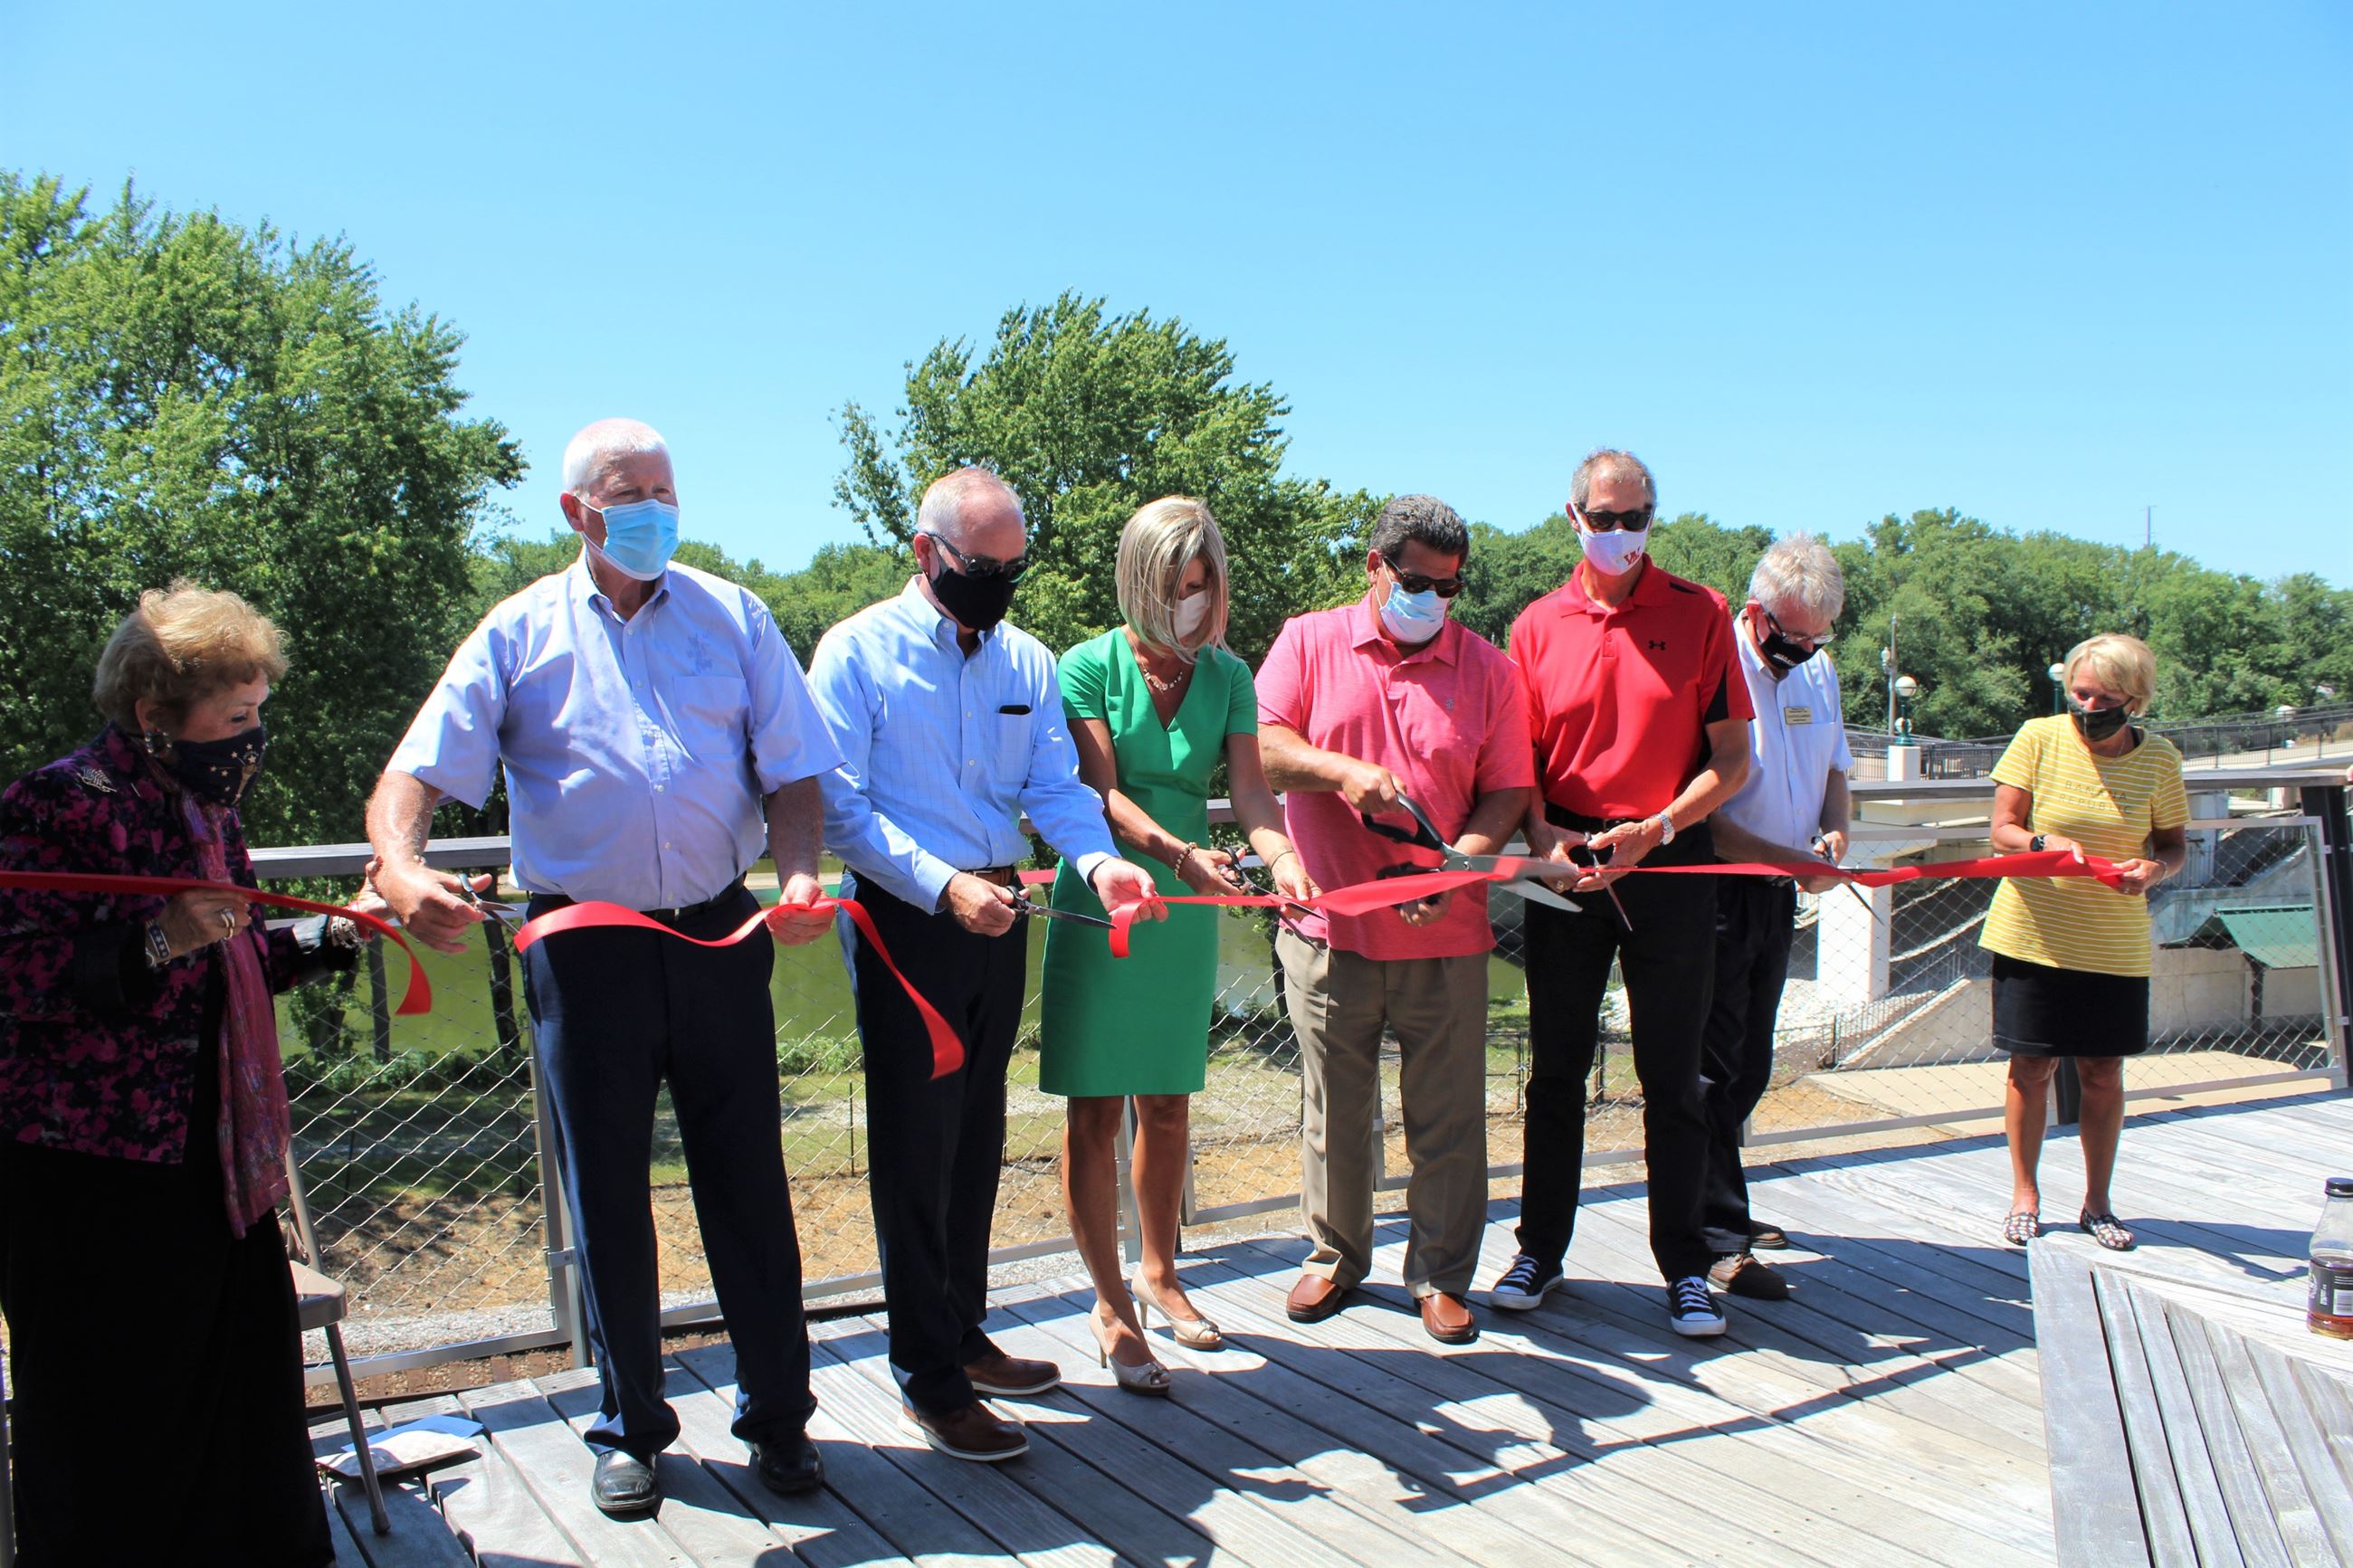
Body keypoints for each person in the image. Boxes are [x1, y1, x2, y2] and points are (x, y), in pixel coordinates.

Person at [368, 419, 841, 1517]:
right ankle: (630, 1426)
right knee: (608, 1195)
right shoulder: (517, 631)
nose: (656, 512)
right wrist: (398, 868)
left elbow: (796, 772)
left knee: (750, 1185)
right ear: (576, 511)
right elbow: (412, 774)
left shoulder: (735, 615)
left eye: (667, 491)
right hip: (584, 949)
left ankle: (780, 1418)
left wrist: (800, 876)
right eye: (632, 494)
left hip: (722, 935)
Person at [0, 583, 388, 1566]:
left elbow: (236, 958)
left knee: (239, 1389)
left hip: (210, 1160)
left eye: (259, 712)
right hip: (94, 1169)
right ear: (154, 715)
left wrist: (338, 933)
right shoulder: (55, 802)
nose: (254, 739)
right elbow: (19, 974)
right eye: (236, 716)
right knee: (112, 1412)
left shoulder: (205, 809)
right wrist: (155, 939)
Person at [807, 466, 1163, 1462]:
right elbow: (839, 809)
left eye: (1013, 569)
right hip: (904, 917)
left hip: (1001, 913)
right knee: (915, 1143)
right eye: (981, 567)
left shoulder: (1026, 661)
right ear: (926, 552)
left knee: (975, 1134)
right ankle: (927, 1375)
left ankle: (962, 1333)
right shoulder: (855, 652)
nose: (999, 586)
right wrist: (942, 885)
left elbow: (1056, 787)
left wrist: (1099, 862)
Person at [1039, 498, 1315, 1393]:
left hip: (1186, 905)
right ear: (1138, 581)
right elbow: (1099, 793)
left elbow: (1253, 792)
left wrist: (1283, 860)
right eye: (1173, 586)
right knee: (1092, 1110)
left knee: (1166, 1104)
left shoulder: (1228, 673)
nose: (1190, 602)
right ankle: (1110, 1302)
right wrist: (1179, 852)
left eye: (1201, 584)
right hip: (1107, 895)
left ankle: (1160, 1273)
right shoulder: (1085, 665)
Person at [1256, 494, 1534, 1345]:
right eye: (1419, 583)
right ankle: (1336, 1255)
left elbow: (1508, 792)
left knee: (1447, 1116)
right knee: (1335, 1110)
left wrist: (1456, 867)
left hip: (1446, 934)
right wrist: (1340, 772)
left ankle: (1442, 1274)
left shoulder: (1489, 669)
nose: (1435, 601)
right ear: (1375, 567)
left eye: (1450, 587)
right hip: (1327, 929)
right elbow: (1261, 750)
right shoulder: (1308, 641)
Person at [1491, 448, 1754, 1337]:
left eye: (1634, 517)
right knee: (1555, 1072)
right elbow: (1519, 761)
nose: (1619, 532)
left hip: (1669, 859)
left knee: (1673, 1077)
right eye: (1602, 518)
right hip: (1567, 865)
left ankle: (1685, 1265)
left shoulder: (1700, 611)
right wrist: (1541, 838)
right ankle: (1540, 1248)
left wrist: (1659, 828)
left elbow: (1732, 759)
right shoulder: (1535, 624)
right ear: (1572, 516)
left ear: (1652, 517)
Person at [1982, 632, 2186, 1250]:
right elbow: (2002, 830)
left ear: (2135, 700)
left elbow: (2173, 845)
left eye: (2105, 697)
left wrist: (2155, 870)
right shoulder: (2038, 737)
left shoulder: (2161, 758)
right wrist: (2044, 844)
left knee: (2103, 1072)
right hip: (2032, 934)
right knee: (2030, 1068)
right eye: (2081, 693)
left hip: (2112, 944)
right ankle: (2025, 1195)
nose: (2089, 706)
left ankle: (2098, 1204)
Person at [1694, 536, 1853, 1300]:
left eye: (1819, 637)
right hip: (1714, 891)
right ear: (1756, 613)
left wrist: (1834, 838)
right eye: (1793, 636)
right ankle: (1717, 1236)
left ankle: (1710, 1201)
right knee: (1712, 1067)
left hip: (1779, 893)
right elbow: (1706, 819)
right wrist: (1793, 859)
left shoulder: (1818, 670)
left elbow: (1836, 772)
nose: (1806, 650)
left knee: (1750, 1064)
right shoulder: (1714, 665)